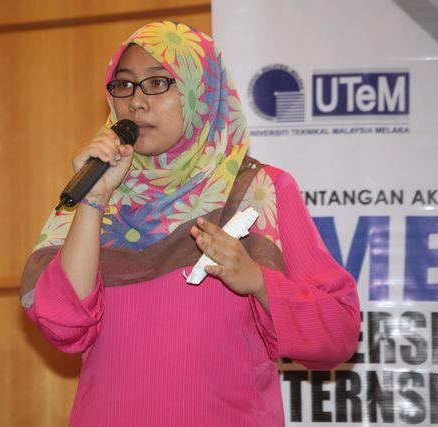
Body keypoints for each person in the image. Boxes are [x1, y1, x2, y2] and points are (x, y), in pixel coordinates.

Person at [20, 21, 360, 426]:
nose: (136, 102)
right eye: (124, 85)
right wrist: (94, 201)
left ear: (202, 91)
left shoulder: (257, 191)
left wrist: (256, 280)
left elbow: (338, 335)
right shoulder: (96, 191)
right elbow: (63, 325)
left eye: (158, 83)